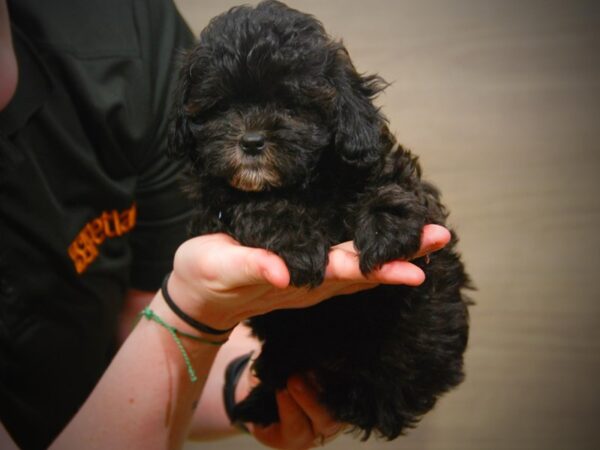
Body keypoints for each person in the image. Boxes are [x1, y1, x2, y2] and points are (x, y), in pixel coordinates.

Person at [0, 0, 451, 449]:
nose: (251, 134)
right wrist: (194, 307)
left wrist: (242, 381)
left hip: (385, 356)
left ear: (337, 115)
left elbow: (141, 308)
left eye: (287, 108)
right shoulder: (220, 195)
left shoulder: (126, 29)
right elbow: (187, 294)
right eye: (224, 109)